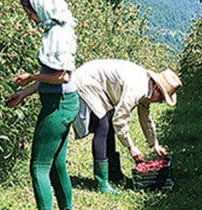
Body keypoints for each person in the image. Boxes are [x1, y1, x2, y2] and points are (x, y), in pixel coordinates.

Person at [5, 0, 79, 210]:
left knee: (38, 166)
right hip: (66, 102)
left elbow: (60, 76)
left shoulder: (56, 35)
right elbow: (53, 77)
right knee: (57, 163)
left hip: (57, 105)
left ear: (40, 8)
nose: (30, 18)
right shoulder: (61, 28)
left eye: (30, 12)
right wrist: (24, 93)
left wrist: (31, 77)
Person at [72, 59, 181, 193]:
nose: (159, 102)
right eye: (161, 98)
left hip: (98, 84)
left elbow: (145, 118)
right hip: (87, 80)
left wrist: (154, 143)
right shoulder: (138, 88)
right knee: (103, 125)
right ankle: (102, 182)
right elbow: (120, 119)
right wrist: (131, 146)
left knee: (108, 125)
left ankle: (114, 174)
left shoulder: (148, 88)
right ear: (156, 89)